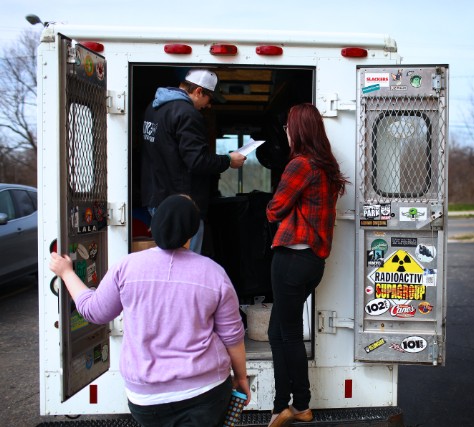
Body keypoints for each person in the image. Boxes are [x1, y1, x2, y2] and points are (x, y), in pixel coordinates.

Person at [49, 194, 251, 427]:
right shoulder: (214, 273)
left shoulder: (126, 267)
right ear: (193, 231)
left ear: (153, 226)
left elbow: (93, 312)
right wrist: (242, 377)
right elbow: (232, 337)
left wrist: (66, 273)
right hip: (205, 391)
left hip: (146, 399)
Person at [265, 103, 348, 427]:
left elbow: (274, 209)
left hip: (292, 259)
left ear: (298, 130)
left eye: (288, 126)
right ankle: (287, 405)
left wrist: (272, 208)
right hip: (312, 261)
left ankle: (296, 405)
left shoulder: (300, 164)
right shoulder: (326, 167)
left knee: (287, 334)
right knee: (278, 332)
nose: (286, 131)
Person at [140, 68, 247, 253]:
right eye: (209, 99)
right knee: (185, 262)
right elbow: (197, 160)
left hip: (156, 199)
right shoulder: (187, 113)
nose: (209, 106)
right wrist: (228, 160)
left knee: (166, 260)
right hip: (182, 205)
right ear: (198, 91)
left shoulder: (153, 108)